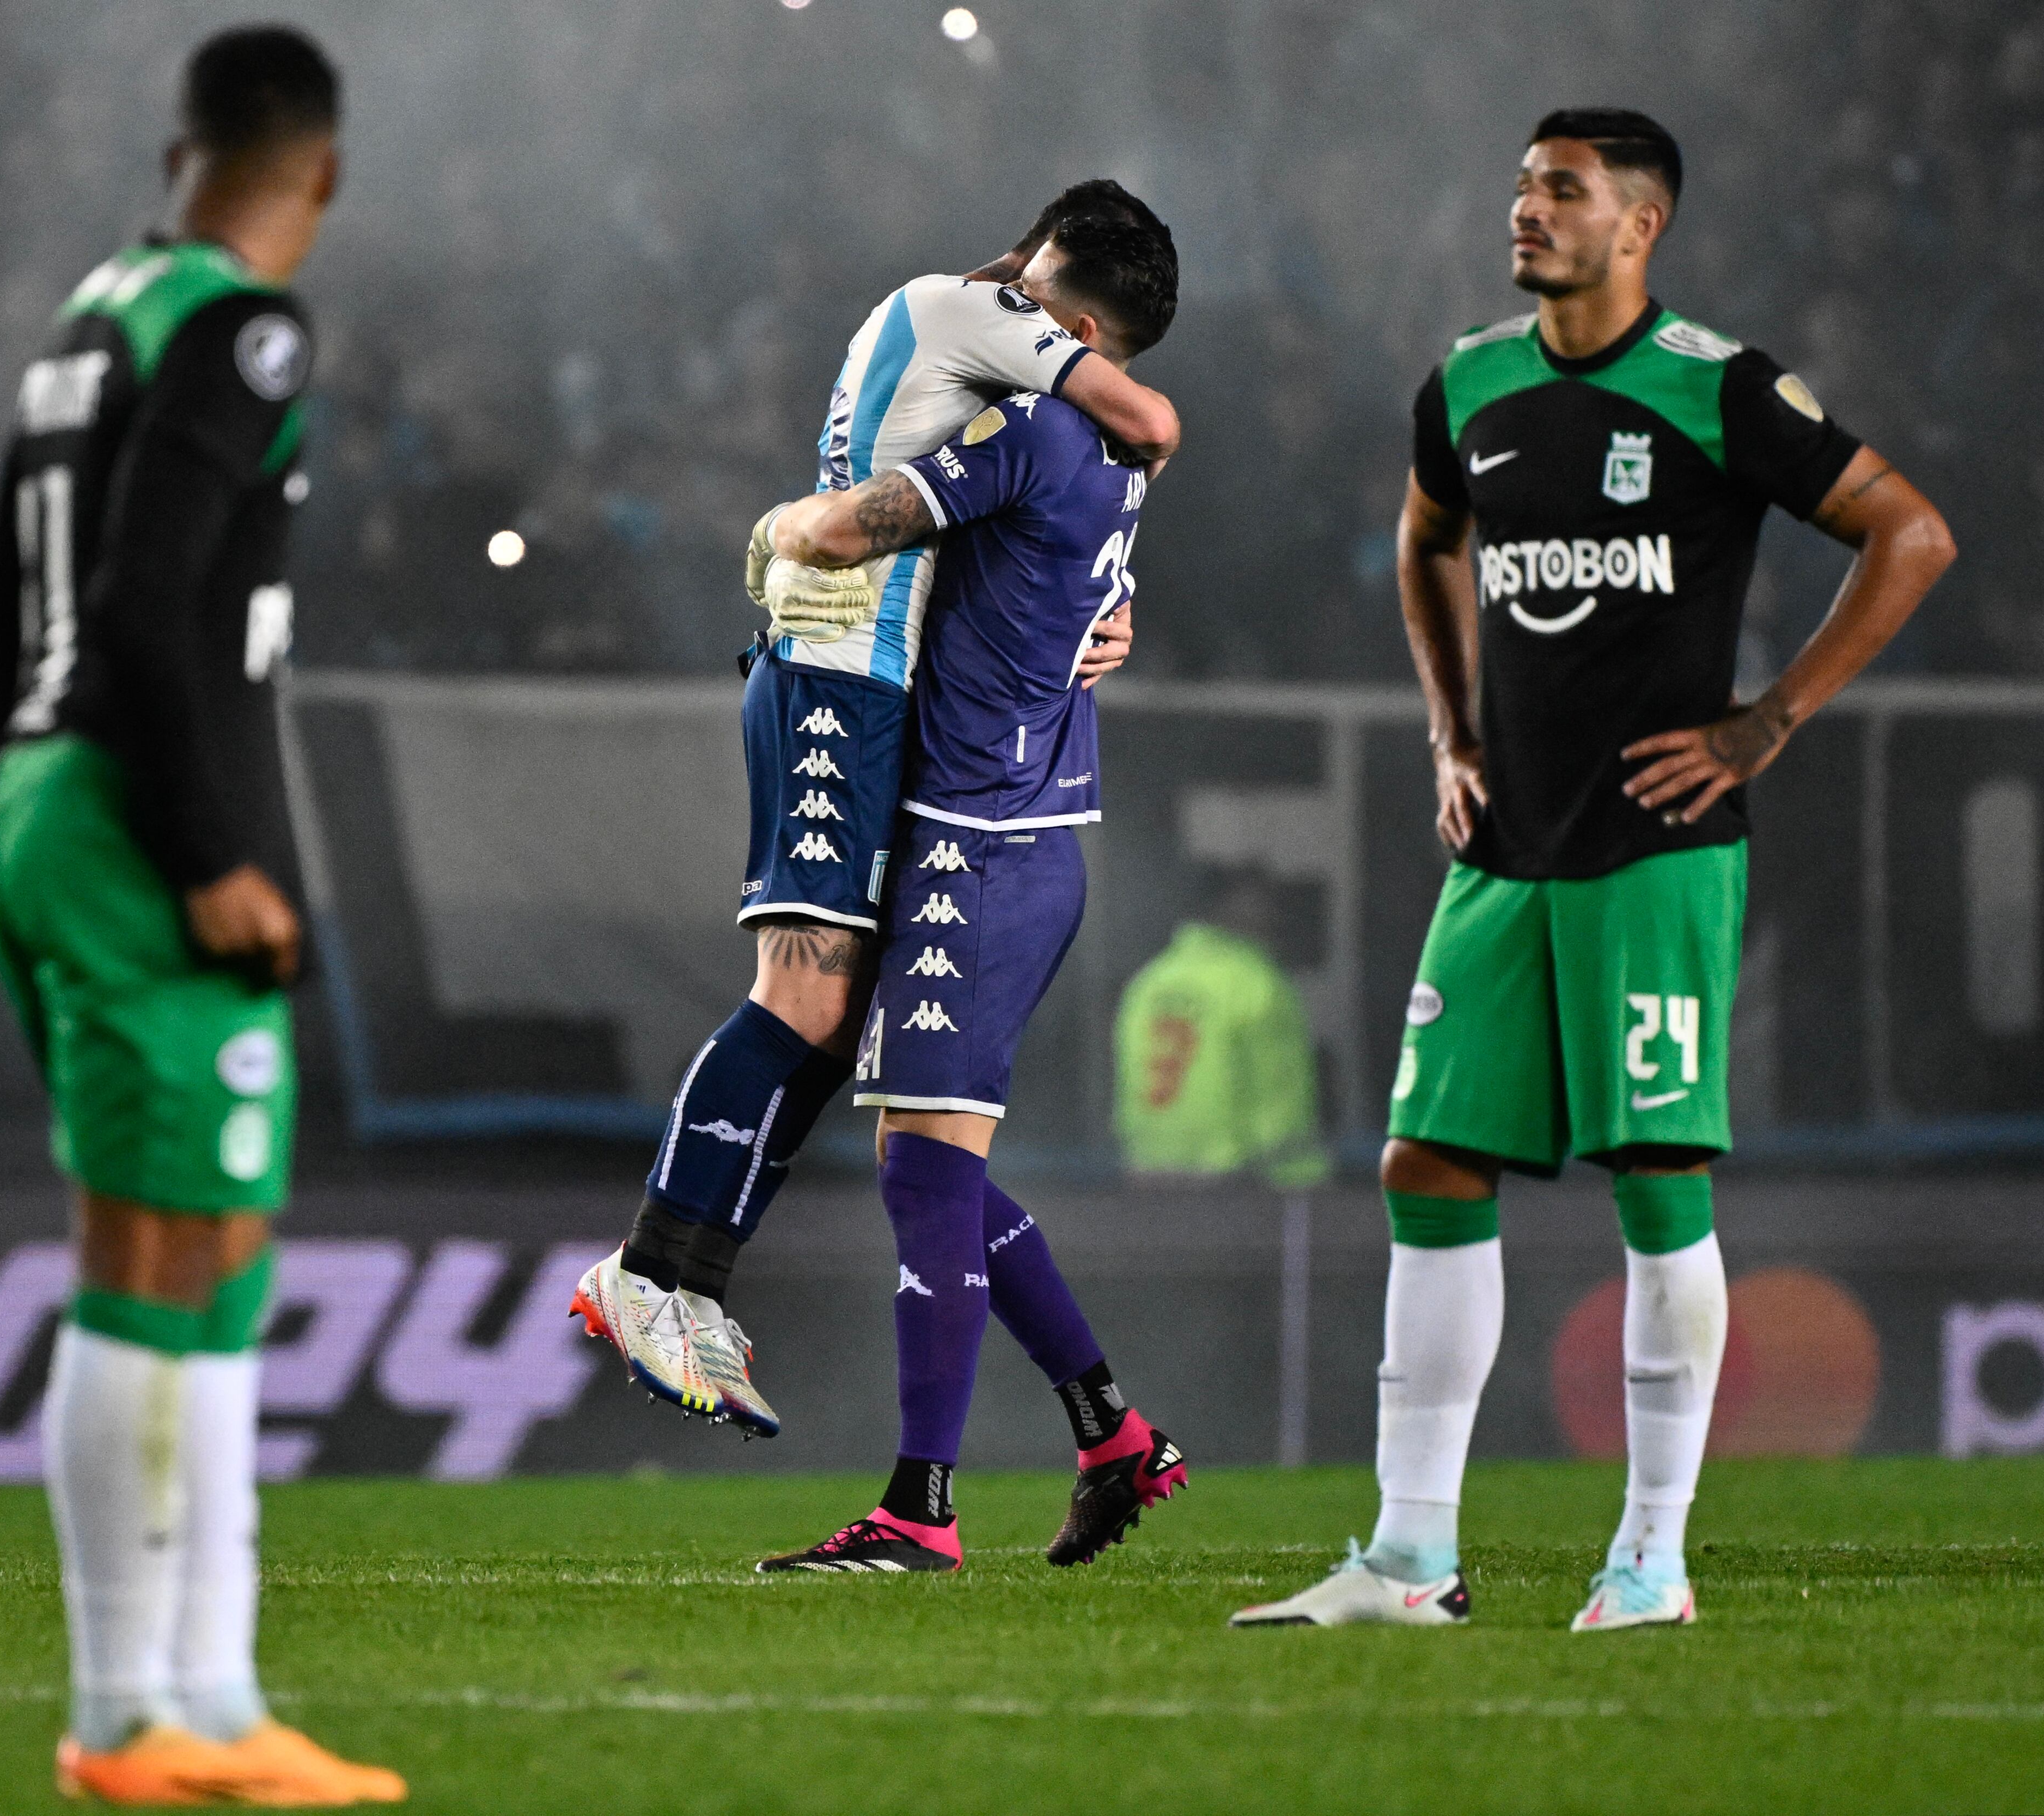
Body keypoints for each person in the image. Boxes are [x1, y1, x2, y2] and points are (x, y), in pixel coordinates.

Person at [1231, 109, 1954, 1636]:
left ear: (1641, 225)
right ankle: (1412, 1554)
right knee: (1425, 1157)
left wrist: (1768, 721)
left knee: (1657, 1176)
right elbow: (1424, 538)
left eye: (1563, 190)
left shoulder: (1715, 384)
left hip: (1656, 844)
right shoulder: (1471, 382)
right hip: (1505, 845)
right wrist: (1449, 728)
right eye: (1521, 185)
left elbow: (1909, 533)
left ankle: (1650, 1559)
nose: (1527, 209)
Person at [0, 26, 401, 1804]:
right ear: (326, 170)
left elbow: (2, 609)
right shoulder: (241, 324)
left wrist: (43, 778)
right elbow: (149, 606)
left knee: (197, 1255)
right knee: (165, 1257)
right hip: (141, 822)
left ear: (181, 147)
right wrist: (216, 845)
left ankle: (197, 1703)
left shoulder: (93, 317)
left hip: (43, 799)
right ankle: (147, 1707)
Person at [571, 181, 1184, 1439]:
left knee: (837, 1012)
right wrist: (797, 525)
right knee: (798, 994)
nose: (1069, 375)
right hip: (834, 677)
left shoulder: (971, 338)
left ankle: (690, 1280)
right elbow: (1148, 421)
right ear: (1059, 283)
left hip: (874, 686)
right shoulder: (978, 308)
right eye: (1077, 346)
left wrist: (1098, 600)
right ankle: (648, 1267)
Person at [744, 209, 1190, 1574]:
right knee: (923, 1162)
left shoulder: (1036, 433)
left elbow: (843, 534)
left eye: (1034, 292)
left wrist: (773, 528)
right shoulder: (1106, 456)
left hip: (981, 840)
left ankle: (919, 1508)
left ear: (1083, 334)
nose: (1006, 293)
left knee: (928, 1170)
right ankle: (1112, 1432)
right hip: (1009, 827)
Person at [1113, 869, 1329, 1191]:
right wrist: (1306, 1184)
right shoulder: (1256, 982)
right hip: (1240, 1187)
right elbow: (1282, 1107)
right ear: (1230, 908)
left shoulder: (1149, 983)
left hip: (1149, 1184)